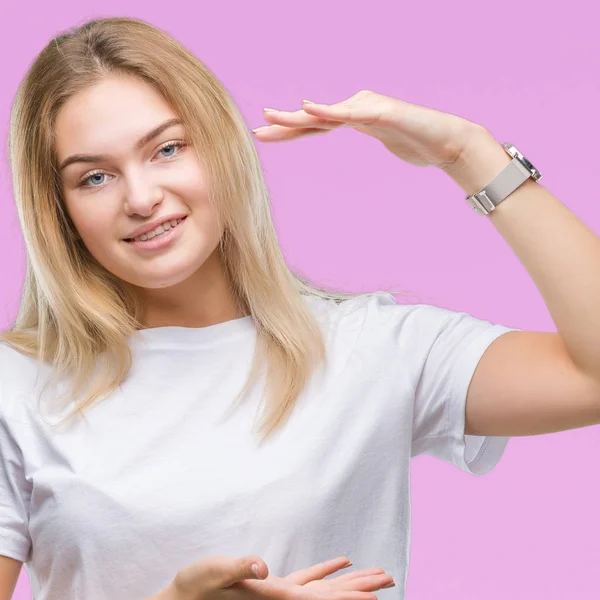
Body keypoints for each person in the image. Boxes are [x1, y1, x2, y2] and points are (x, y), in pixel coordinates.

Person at [2, 16, 600, 600]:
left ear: (220, 146)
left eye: (167, 148)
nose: (141, 197)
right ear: (60, 212)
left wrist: (469, 153)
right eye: (95, 178)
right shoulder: (17, 386)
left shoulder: (371, 349)